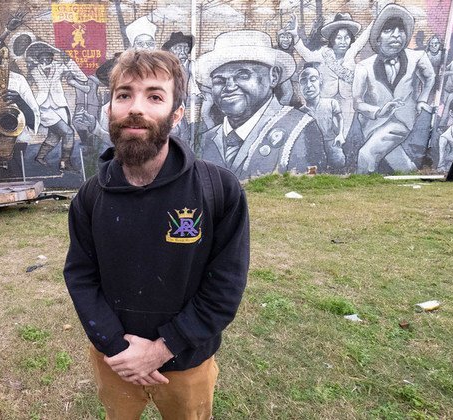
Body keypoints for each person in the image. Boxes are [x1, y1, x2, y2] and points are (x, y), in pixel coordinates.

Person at [64, 49, 249, 419]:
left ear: (176, 114)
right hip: (114, 360)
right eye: (124, 95)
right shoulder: (89, 197)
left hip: (187, 360)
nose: (136, 108)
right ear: (110, 110)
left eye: (154, 96)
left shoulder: (219, 190)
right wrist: (115, 347)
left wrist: (165, 347)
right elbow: (81, 277)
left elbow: (225, 284)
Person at [197, 30, 325, 178]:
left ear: (273, 76)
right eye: (219, 80)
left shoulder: (301, 128)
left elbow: (306, 192)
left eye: (242, 75)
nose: (229, 87)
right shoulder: (207, 139)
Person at [352, 3, 435, 173]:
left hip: (402, 120)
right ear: (378, 37)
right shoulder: (364, 67)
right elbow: (357, 103)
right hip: (372, 124)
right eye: (389, 30)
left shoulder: (417, 57)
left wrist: (422, 99)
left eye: (401, 30)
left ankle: (360, 190)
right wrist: (379, 111)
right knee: (401, 165)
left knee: (366, 155)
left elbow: (430, 76)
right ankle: (411, 178)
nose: (397, 35)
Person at [290, 12, 372, 138]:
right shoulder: (324, 54)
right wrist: (295, 36)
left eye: (347, 38)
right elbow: (307, 55)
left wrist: (378, 19)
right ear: (332, 39)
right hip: (326, 100)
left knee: (343, 135)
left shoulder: (351, 53)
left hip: (347, 101)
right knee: (324, 134)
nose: (343, 42)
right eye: (339, 38)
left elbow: (363, 38)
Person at [26, 41, 87, 171]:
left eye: (48, 56)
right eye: (42, 57)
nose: (45, 59)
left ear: (52, 57)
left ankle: (40, 157)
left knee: (55, 136)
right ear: (38, 58)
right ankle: (65, 163)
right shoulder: (33, 70)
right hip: (43, 108)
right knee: (68, 133)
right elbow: (25, 87)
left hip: (60, 107)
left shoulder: (60, 66)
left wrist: (69, 61)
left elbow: (82, 78)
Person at [298, 64, 345, 171]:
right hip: (312, 149)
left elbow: (339, 118)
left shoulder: (331, 103)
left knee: (339, 163)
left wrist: (340, 134)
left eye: (313, 79)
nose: (308, 85)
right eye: (303, 81)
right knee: (312, 172)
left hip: (331, 143)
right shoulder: (301, 112)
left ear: (320, 81)